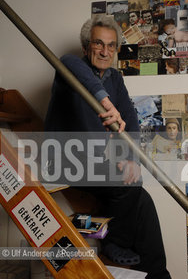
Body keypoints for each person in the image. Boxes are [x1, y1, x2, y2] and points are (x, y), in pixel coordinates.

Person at [45, 15, 171, 279]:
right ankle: (114, 242)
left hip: (95, 164)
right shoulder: (71, 67)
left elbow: (131, 119)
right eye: (98, 44)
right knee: (127, 186)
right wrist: (105, 101)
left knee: (142, 199)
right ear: (86, 46)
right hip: (64, 161)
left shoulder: (114, 77)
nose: (105, 51)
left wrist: (131, 159)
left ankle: (157, 272)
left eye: (111, 46)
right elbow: (67, 63)